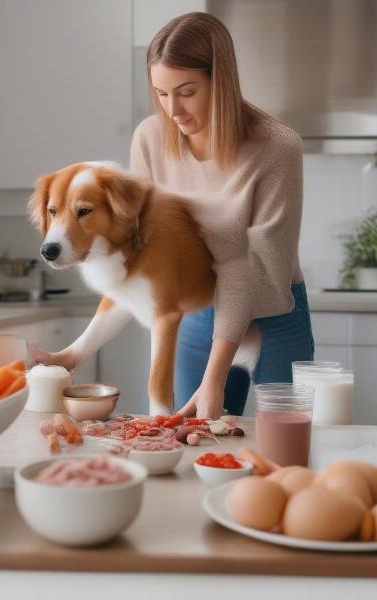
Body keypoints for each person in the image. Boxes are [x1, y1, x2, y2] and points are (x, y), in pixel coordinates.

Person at [129, 12, 314, 419]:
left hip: (274, 314)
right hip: (199, 310)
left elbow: (254, 265)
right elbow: (147, 245)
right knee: (193, 438)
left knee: (279, 450)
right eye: (161, 93)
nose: (172, 109)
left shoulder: (277, 146)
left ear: (221, 81)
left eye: (186, 91)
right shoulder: (149, 138)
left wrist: (213, 379)